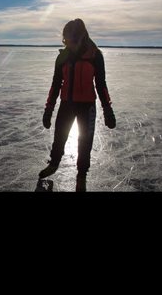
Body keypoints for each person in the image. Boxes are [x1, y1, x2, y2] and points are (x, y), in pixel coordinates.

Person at [39, 18, 116, 192]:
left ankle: (81, 176)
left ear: (81, 37)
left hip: (87, 106)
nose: (68, 44)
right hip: (67, 104)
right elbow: (55, 84)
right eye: (65, 40)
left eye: (71, 40)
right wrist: (48, 109)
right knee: (60, 136)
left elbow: (101, 84)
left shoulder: (95, 56)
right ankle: (54, 163)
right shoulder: (63, 57)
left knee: (85, 142)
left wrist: (108, 109)